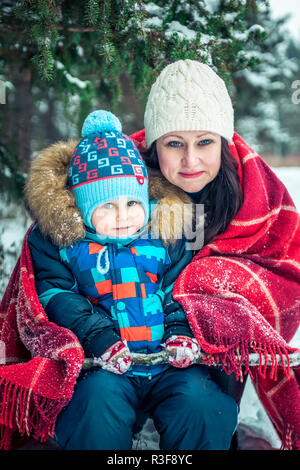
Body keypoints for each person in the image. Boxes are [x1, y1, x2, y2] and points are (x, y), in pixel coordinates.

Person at [24, 109, 238, 450]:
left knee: (200, 404)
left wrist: (180, 334)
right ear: (83, 210)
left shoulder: (167, 235)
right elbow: (58, 296)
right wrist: (98, 338)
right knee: (94, 408)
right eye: (106, 206)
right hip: (103, 363)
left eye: (131, 203)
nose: (123, 217)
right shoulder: (65, 246)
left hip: (167, 362)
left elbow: (181, 291)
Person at [129, 59, 300, 449]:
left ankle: (218, 421)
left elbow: (283, 269)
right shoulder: (121, 187)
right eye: (175, 143)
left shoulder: (252, 191)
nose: (191, 161)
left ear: (223, 143)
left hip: (211, 358)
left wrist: (206, 283)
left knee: (217, 289)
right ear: (156, 146)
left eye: (204, 142)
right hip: (130, 334)